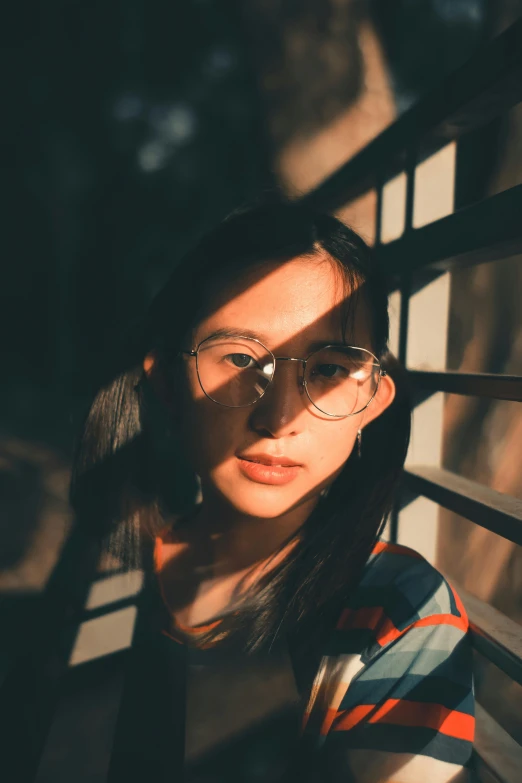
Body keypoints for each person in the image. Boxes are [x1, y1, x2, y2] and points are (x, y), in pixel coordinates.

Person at [71, 201, 474, 782]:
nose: (279, 418)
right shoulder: (107, 564)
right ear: (166, 382)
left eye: (331, 369)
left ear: (375, 403)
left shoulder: (399, 612)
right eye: (240, 359)